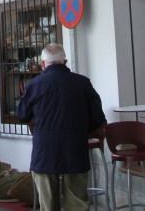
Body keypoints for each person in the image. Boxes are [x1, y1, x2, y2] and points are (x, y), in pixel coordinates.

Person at [16, 43, 106, 211]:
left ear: (43, 64)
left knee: (48, 205)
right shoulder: (83, 83)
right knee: (77, 204)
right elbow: (97, 119)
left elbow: (22, 116)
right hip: (75, 151)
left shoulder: (34, 85)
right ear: (65, 61)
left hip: (45, 153)